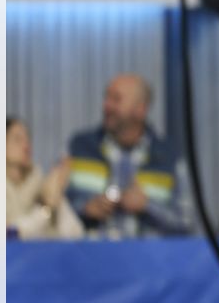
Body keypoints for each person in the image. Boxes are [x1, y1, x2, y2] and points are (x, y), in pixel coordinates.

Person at [65, 74, 190, 238]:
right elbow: (52, 209)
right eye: (106, 98)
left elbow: (187, 224)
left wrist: (147, 206)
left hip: (148, 260)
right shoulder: (79, 148)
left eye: (116, 99)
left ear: (141, 109)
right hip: (90, 258)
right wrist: (85, 209)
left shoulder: (169, 157)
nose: (106, 106)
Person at [6, 117, 84, 240]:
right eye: (17, 139)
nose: (26, 145)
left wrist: (58, 192)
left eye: (28, 139)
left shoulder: (40, 181)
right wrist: (46, 208)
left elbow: (76, 233)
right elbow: (12, 234)